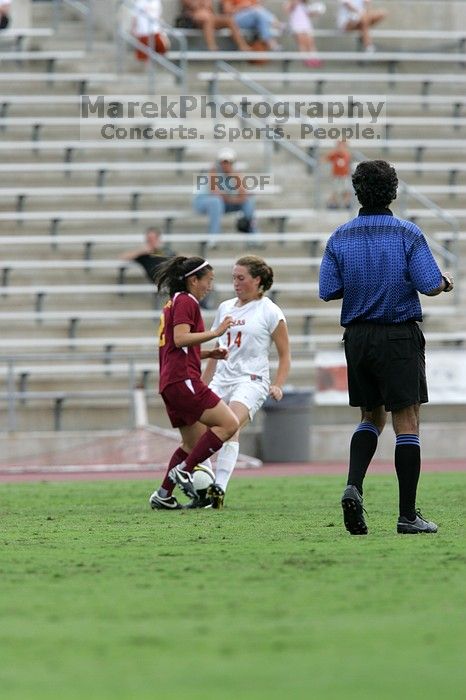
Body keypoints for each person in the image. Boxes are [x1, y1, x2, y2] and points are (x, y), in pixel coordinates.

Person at [319, 159, 454, 536]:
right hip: (397, 335)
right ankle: (408, 515)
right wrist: (444, 283)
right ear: (394, 191)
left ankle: (353, 485)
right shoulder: (407, 233)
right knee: (406, 421)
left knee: (370, 416)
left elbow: (327, 290)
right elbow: (428, 284)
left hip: (358, 337)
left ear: (357, 192)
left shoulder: (339, 237)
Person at [198, 255, 291, 508]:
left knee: (229, 424)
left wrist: (278, 384)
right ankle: (205, 485)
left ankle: (218, 487)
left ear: (257, 280)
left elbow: (285, 354)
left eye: (241, 278)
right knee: (196, 427)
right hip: (222, 378)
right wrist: (202, 384)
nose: (235, 283)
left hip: (252, 379)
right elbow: (217, 349)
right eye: (233, 278)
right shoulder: (225, 307)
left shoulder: (270, 311)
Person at [149, 256, 239, 510]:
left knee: (191, 444)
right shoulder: (187, 301)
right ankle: (185, 471)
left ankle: (163, 494)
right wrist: (217, 332)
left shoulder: (173, 303)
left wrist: (209, 353)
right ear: (193, 280)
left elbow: (176, 347)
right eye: (208, 281)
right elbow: (180, 339)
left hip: (171, 382)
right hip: (183, 380)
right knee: (229, 424)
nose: (210, 286)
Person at [193, 147, 259, 248]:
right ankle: (212, 240)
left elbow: (243, 196)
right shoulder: (213, 171)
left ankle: (254, 239)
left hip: (222, 203)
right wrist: (233, 199)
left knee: (247, 203)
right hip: (202, 201)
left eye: (228, 162)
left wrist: (234, 177)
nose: (226, 164)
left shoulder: (235, 174)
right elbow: (215, 192)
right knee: (216, 202)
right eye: (223, 162)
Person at [180, 0, 250, 51]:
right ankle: (212, 47)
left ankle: (242, 45)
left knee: (229, 20)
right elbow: (192, 5)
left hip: (209, 16)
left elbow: (208, 6)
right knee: (208, 19)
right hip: (194, 17)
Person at [284, 1, 325, 68]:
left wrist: (317, 12)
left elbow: (309, 14)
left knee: (310, 42)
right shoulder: (290, 2)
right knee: (302, 43)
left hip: (306, 25)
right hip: (296, 25)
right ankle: (306, 60)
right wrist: (294, 3)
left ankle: (314, 58)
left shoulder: (304, 4)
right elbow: (287, 10)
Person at [324, 139, 352, 209]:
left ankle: (347, 203)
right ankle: (333, 203)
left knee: (346, 190)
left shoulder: (347, 154)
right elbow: (326, 159)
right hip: (336, 175)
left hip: (344, 175)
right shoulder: (334, 154)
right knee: (335, 190)